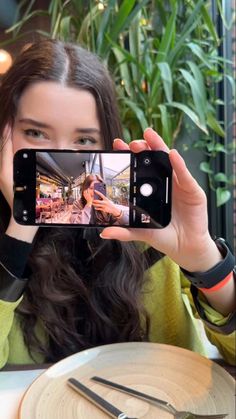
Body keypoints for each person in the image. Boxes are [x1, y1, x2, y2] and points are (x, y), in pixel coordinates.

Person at [0, 39, 235, 368]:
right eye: (37, 134)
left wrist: (205, 260)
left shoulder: (144, 230)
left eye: (84, 140)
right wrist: (20, 228)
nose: (60, 160)